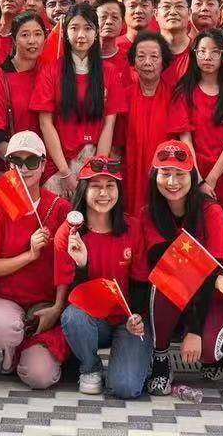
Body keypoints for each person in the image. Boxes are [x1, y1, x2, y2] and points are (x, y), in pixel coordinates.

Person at [135, 138, 223, 395]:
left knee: (207, 348)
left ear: (193, 175)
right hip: (172, 292)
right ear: (155, 176)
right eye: (165, 173)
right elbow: (165, 263)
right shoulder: (148, 213)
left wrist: (195, 330)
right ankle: (161, 358)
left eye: (180, 174)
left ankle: (213, 352)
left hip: (212, 296)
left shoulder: (211, 211)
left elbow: (214, 268)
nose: (172, 182)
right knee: (165, 279)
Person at [0, 131, 68, 385]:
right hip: (6, 298)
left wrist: (58, 307)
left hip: (44, 305)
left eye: (32, 162)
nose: (24, 169)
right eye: (16, 162)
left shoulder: (59, 208)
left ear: (44, 164)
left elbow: (67, 266)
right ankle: (11, 348)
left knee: (39, 377)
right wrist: (29, 255)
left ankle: (29, 348)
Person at [56, 155, 150, 397]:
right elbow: (74, 298)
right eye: (96, 186)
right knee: (73, 317)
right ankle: (90, 367)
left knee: (126, 388)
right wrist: (82, 265)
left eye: (110, 186)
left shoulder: (134, 228)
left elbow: (141, 283)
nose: (103, 193)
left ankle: (134, 360)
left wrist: (137, 316)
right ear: (84, 190)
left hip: (126, 319)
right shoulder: (69, 234)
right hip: (92, 319)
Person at [35, 7, 121, 192]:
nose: (81, 35)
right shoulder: (51, 70)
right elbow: (45, 123)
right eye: (74, 28)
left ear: (97, 33)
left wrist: (96, 169)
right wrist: (65, 173)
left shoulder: (109, 72)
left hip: (94, 161)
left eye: (88, 28)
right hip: (59, 165)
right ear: (65, 33)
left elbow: (109, 124)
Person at [175, 28, 223, 206]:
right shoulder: (184, 92)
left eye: (214, 51)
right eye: (202, 51)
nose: (207, 57)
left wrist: (212, 178)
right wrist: (198, 178)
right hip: (192, 170)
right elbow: (184, 138)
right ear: (194, 54)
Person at [121, 31, 192, 204]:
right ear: (133, 62)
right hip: (131, 172)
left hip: (167, 175)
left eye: (154, 56)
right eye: (141, 57)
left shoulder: (175, 95)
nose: (147, 62)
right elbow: (116, 147)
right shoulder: (124, 96)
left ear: (163, 62)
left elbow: (185, 140)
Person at [0, 11, 48, 168]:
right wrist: (20, 164)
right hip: (12, 164)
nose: (32, 41)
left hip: (46, 165)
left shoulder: (50, 72)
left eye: (38, 34)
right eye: (25, 35)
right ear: (14, 40)